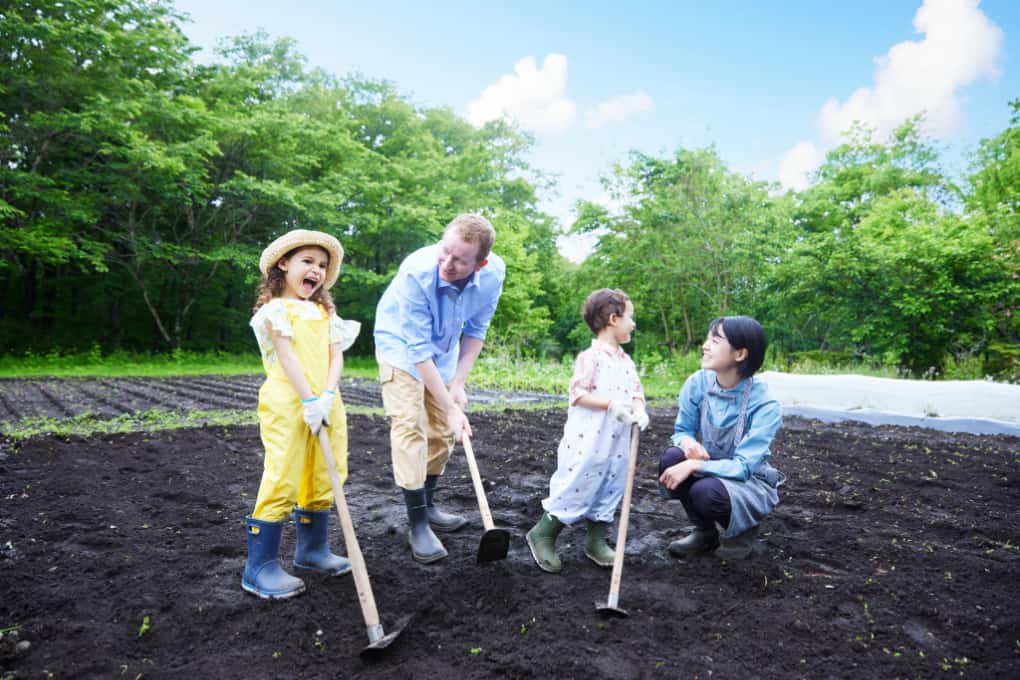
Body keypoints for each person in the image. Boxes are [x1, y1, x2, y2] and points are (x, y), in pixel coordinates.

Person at [373, 214, 505, 563]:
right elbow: (416, 349)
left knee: (443, 433)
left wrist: (458, 384)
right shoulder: (417, 271)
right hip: (401, 348)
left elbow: (477, 329)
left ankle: (429, 505)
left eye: (460, 260)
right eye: (444, 252)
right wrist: (450, 406)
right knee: (410, 426)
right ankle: (417, 523)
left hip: (444, 351)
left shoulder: (494, 274)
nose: (447, 264)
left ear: (481, 263)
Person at [242, 229, 361, 599]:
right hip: (289, 400)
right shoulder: (275, 310)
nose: (317, 270)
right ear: (284, 264)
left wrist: (326, 396)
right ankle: (258, 567)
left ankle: (312, 551)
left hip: (327, 399)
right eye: (307, 261)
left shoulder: (326, 311)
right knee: (284, 473)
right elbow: (288, 356)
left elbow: (335, 355)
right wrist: (308, 400)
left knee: (327, 471)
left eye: (322, 265)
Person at [526, 288, 649, 574]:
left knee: (611, 482)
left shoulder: (626, 361)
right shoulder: (590, 357)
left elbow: (637, 392)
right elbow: (577, 394)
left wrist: (639, 408)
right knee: (579, 480)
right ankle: (543, 533)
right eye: (631, 317)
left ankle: (596, 540)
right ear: (614, 319)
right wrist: (611, 405)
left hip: (616, 440)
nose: (634, 323)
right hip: (589, 439)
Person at [658, 315, 784, 561]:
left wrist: (695, 464)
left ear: (739, 354)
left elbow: (743, 466)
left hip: (749, 480)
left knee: (706, 491)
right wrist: (688, 443)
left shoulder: (765, 404)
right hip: (712, 466)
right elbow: (681, 430)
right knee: (672, 458)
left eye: (715, 341)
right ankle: (705, 532)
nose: (705, 345)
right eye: (707, 339)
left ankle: (741, 533)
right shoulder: (698, 383)